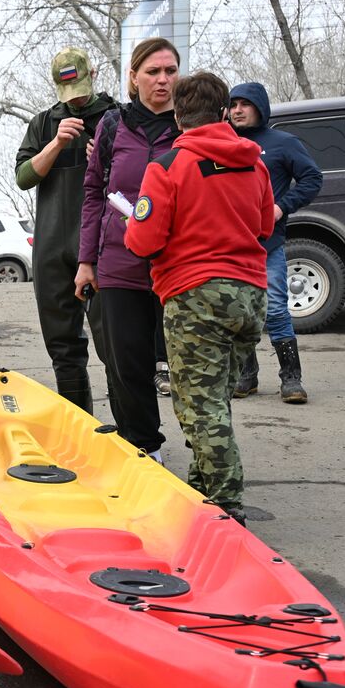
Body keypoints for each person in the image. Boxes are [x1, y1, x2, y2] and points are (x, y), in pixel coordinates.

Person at [124, 71, 273, 524]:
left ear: (178, 116)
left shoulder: (168, 167)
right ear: (225, 111)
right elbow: (265, 226)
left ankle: (226, 506)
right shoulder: (255, 163)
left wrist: (134, 222)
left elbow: (144, 240)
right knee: (216, 399)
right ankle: (203, 486)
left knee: (199, 405)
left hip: (196, 296)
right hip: (251, 296)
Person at [76, 37, 181, 461]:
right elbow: (94, 194)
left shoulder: (192, 124)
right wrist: (86, 261)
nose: (163, 80)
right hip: (119, 264)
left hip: (179, 265)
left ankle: (208, 455)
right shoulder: (112, 126)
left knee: (190, 365)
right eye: (153, 71)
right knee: (126, 364)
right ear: (132, 77)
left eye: (170, 71)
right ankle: (144, 447)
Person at [13, 47, 118, 414]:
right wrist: (56, 144)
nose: (77, 99)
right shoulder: (43, 123)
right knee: (62, 345)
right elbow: (23, 177)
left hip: (104, 246)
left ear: (95, 72)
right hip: (53, 248)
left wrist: (104, 158)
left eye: (83, 89)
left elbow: (140, 176)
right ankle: (81, 427)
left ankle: (132, 436)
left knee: (114, 345)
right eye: (69, 92)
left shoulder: (116, 116)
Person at [229, 81, 322, 404]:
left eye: (245, 104)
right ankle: (247, 375)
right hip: (229, 248)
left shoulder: (282, 143)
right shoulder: (222, 142)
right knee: (238, 313)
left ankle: (291, 379)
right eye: (233, 104)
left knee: (277, 312)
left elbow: (312, 178)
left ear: (260, 108)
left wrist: (281, 206)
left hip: (268, 246)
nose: (237, 110)